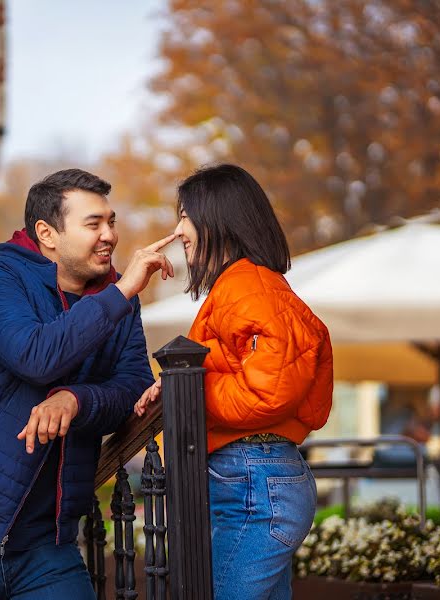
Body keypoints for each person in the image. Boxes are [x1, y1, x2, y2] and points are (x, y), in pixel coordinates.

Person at [0, 169, 173, 599]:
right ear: (47, 233)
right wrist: (121, 293)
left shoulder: (116, 298)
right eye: (93, 224)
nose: (109, 235)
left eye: (111, 221)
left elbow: (132, 387)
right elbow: (36, 356)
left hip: (47, 543)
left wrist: (77, 400)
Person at [135, 164, 334, 600]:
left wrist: (187, 389)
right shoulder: (244, 287)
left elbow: (268, 391)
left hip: (255, 484)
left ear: (217, 218)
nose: (179, 230)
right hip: (255, 481)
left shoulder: (251, 288)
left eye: (186, 215)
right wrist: (178, 384)